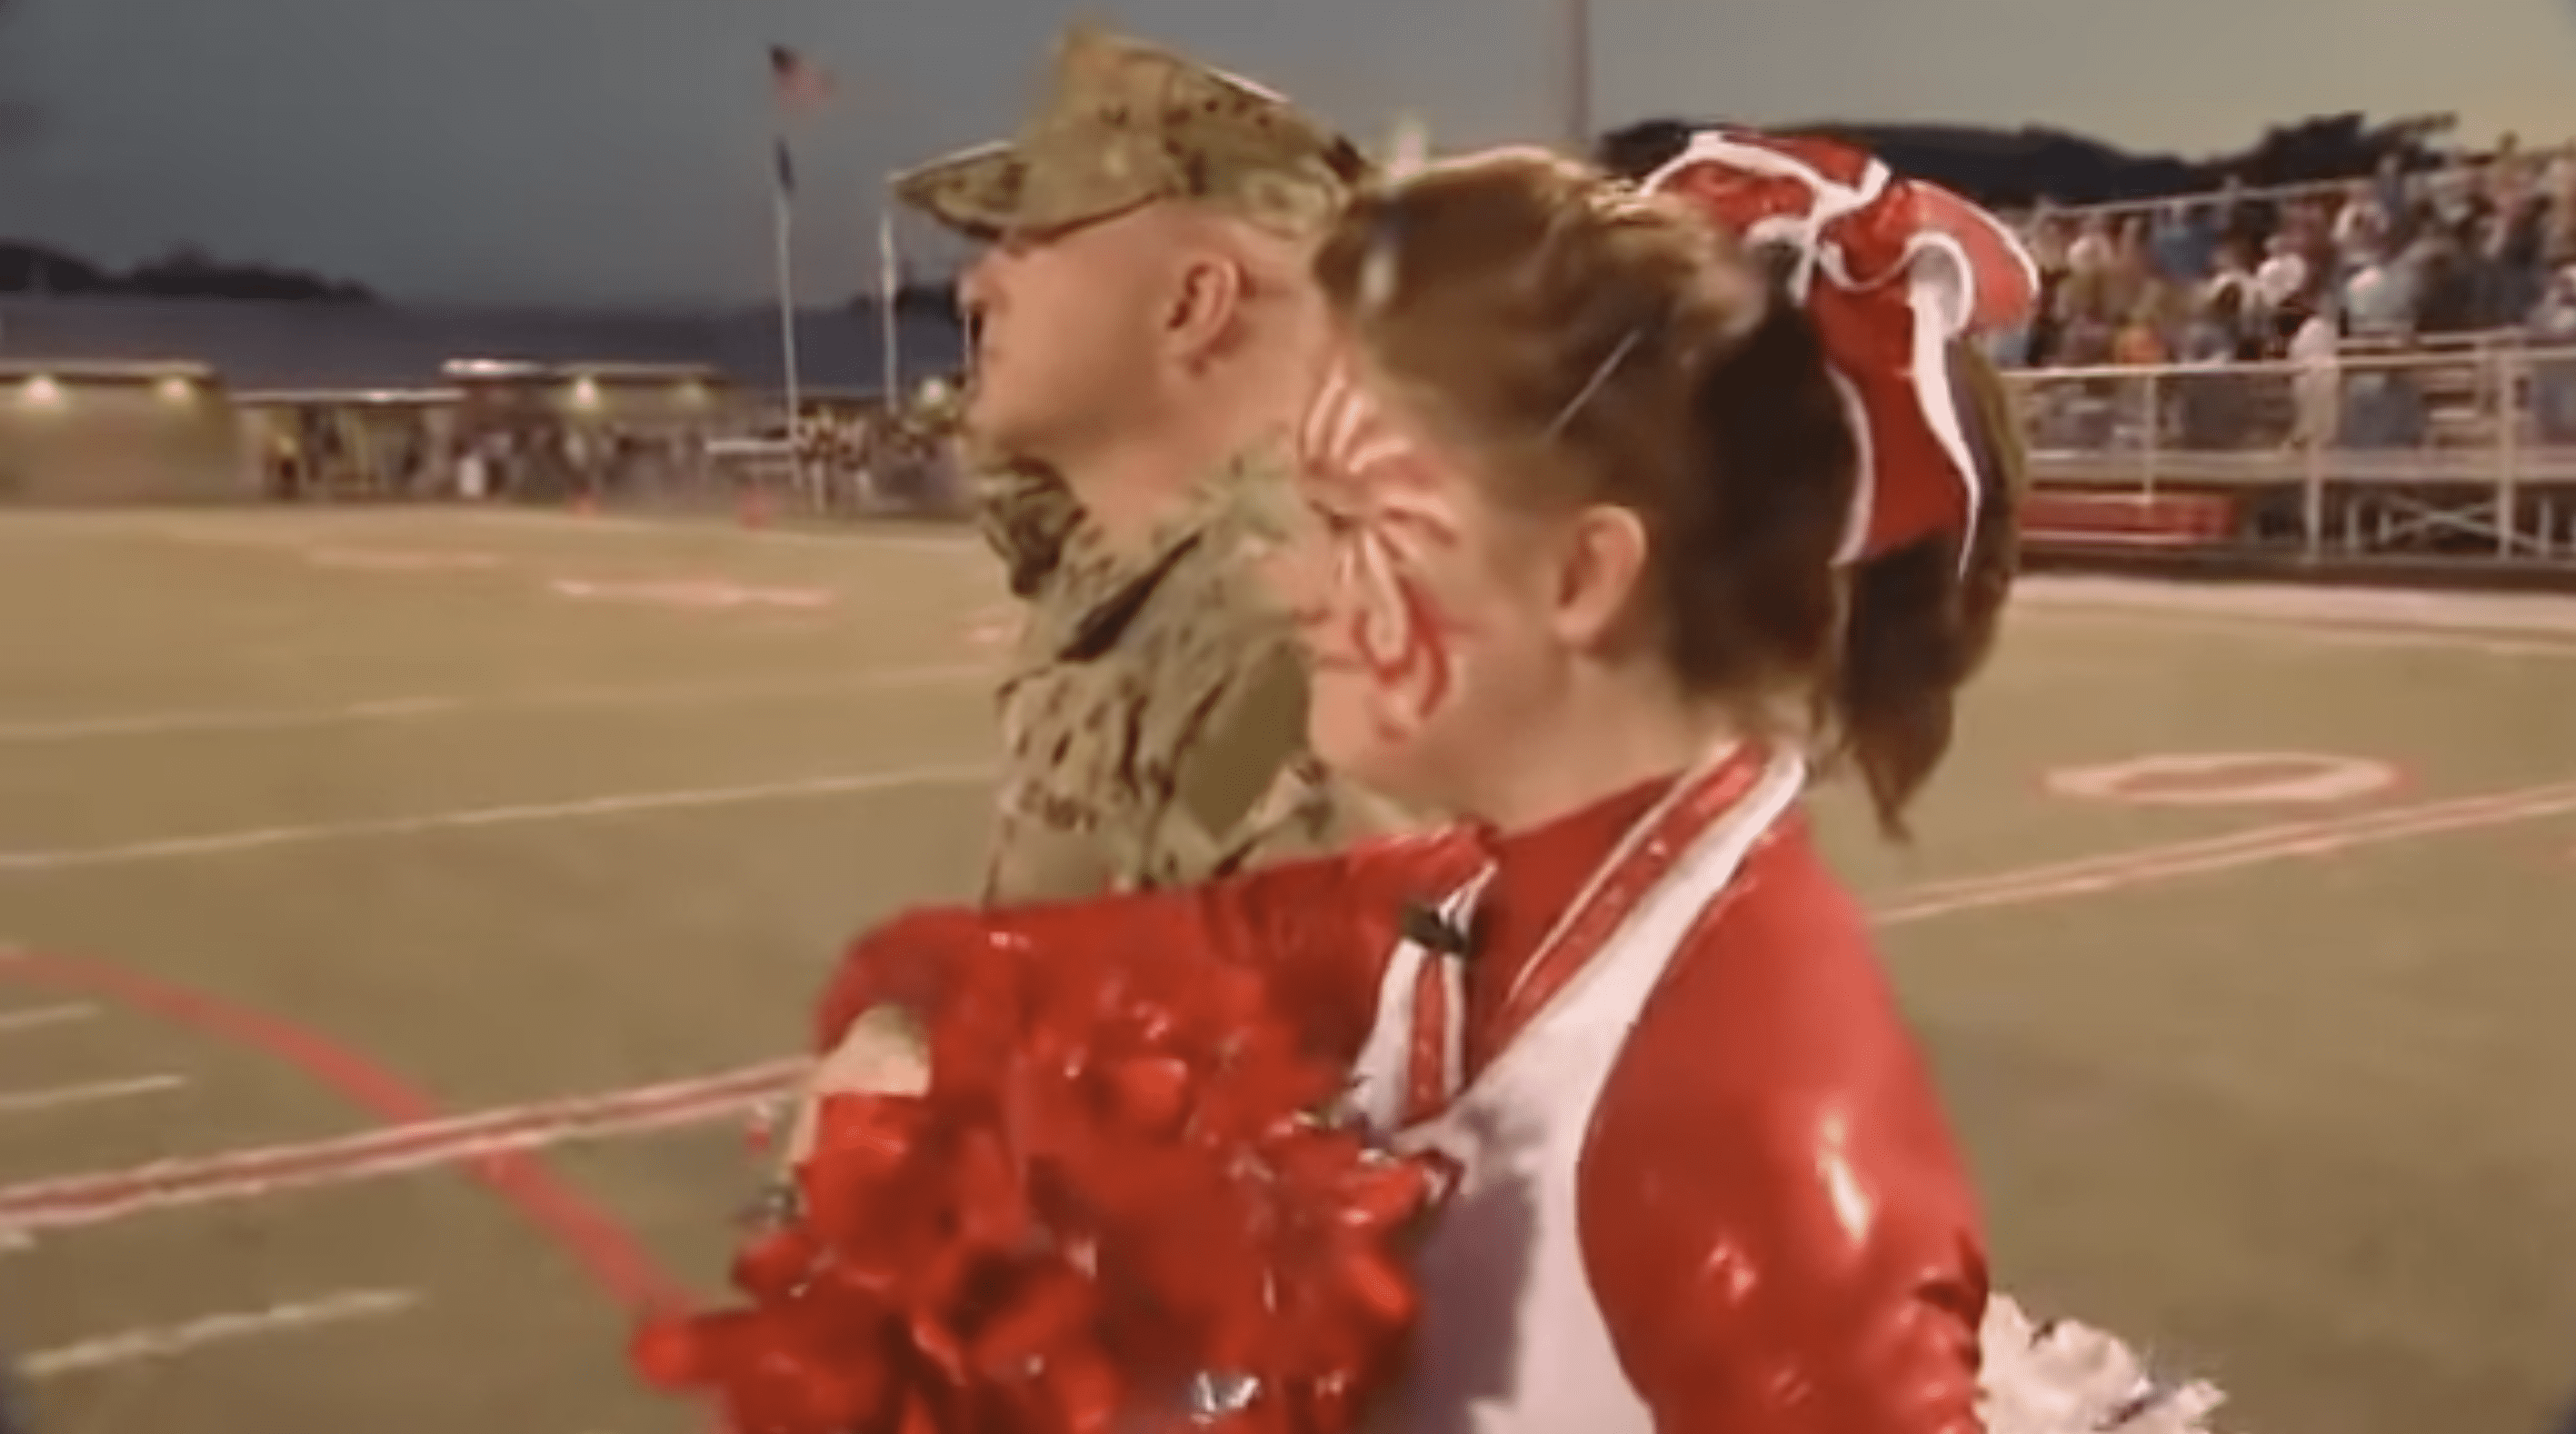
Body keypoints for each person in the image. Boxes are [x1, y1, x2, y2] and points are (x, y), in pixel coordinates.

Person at [805, 143, 2220, 1431]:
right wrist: (920, 1057)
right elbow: (1018, 978)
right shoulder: (1483, 903)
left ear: (1577, 575)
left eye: (1352, 518)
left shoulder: (1732, 1120)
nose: (1287, 577)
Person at [890, 23, 1381, 905]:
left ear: (1192, 304)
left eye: (1028, 240)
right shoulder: (1122, 576)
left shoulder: (1311, 645)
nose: (973, 288)